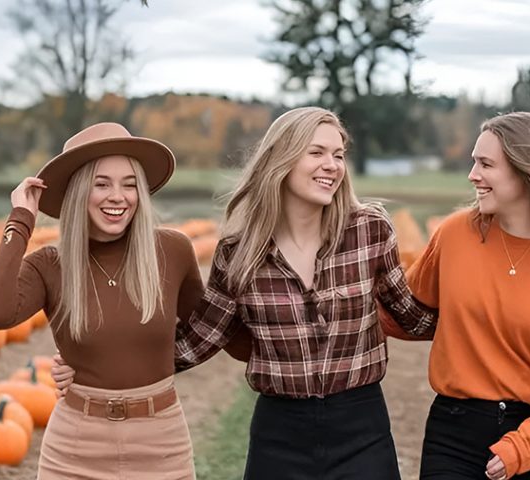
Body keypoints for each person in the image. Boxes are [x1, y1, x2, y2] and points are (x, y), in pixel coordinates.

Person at [54, 106, 438, 479]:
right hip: (281, 433)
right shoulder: (240, 252)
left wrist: (483, 307)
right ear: (282, 159)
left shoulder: (369, 230)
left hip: (361, 425)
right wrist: (95, 364)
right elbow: (195, 342)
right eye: (317, 152)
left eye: (338, 155)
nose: (332, 165)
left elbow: (411, 315)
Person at [383, 111, 530, 480]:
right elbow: (403, 312)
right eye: (474, 162)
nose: (473, 175)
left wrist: (524, 447)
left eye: (486, 164)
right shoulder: (455, 235)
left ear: (527, 172)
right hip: (453, 436)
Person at [0, 122, 207, 479]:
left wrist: (140, 362)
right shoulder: (50, 265)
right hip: (75, 447)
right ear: (78, 192)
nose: (118, 196)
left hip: (160, 443)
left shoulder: (172, 251)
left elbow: (207, 330)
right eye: (102, 184)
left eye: (130, 185)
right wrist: (21, 220)